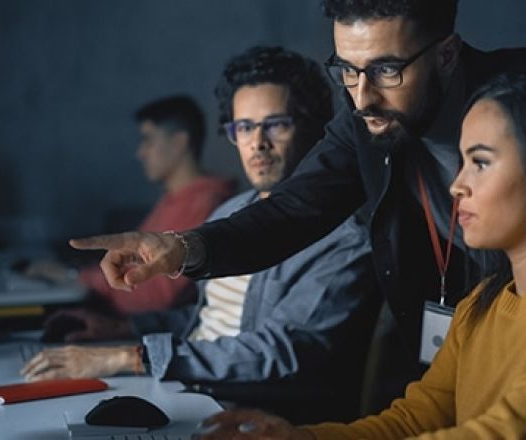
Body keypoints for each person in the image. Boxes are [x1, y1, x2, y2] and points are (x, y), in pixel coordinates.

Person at [68, 0, 526, 371]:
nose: (363, 96)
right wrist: (179, 248)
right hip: (460, 346)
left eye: (388, 70)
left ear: (446, 55)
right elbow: (291, 211)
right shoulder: (365, 118)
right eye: (347, 69)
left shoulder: (515, 96)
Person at [22, 46, 380, 423]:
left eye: (276, 124)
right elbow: (208, 324)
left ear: (312, 129)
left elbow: (281, 351)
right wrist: (122, 329)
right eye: (244, 127)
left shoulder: (344, 240)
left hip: (244, 413)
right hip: (185, 388)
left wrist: (130, 357)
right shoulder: (230, 214)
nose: (257, 143)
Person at [195, 72, 526, 440]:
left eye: (479, 162)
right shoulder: (479, 306)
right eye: (461, 162)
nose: (456, 185)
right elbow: (415, 418)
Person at [32, 95, 235, 321]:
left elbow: (152, 298)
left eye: (148, 140)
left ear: (179, 143)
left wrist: (76, 277)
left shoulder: (203, 203)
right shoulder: (175, 197)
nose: (140, 152)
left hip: (148, 331)